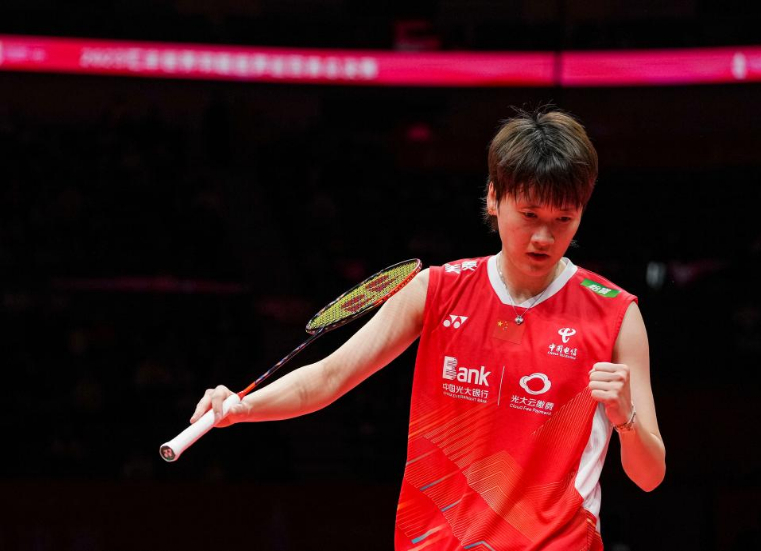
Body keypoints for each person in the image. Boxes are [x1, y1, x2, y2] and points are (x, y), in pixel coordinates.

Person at [191, 107, 666, 550]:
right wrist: (242, 406)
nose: (545, 237)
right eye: (530, 215)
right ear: (494, 198)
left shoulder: (615, 315)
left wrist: (625, 418)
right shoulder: (436, 290)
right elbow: (330, 376)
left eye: (564, 219)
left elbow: (650, 476)